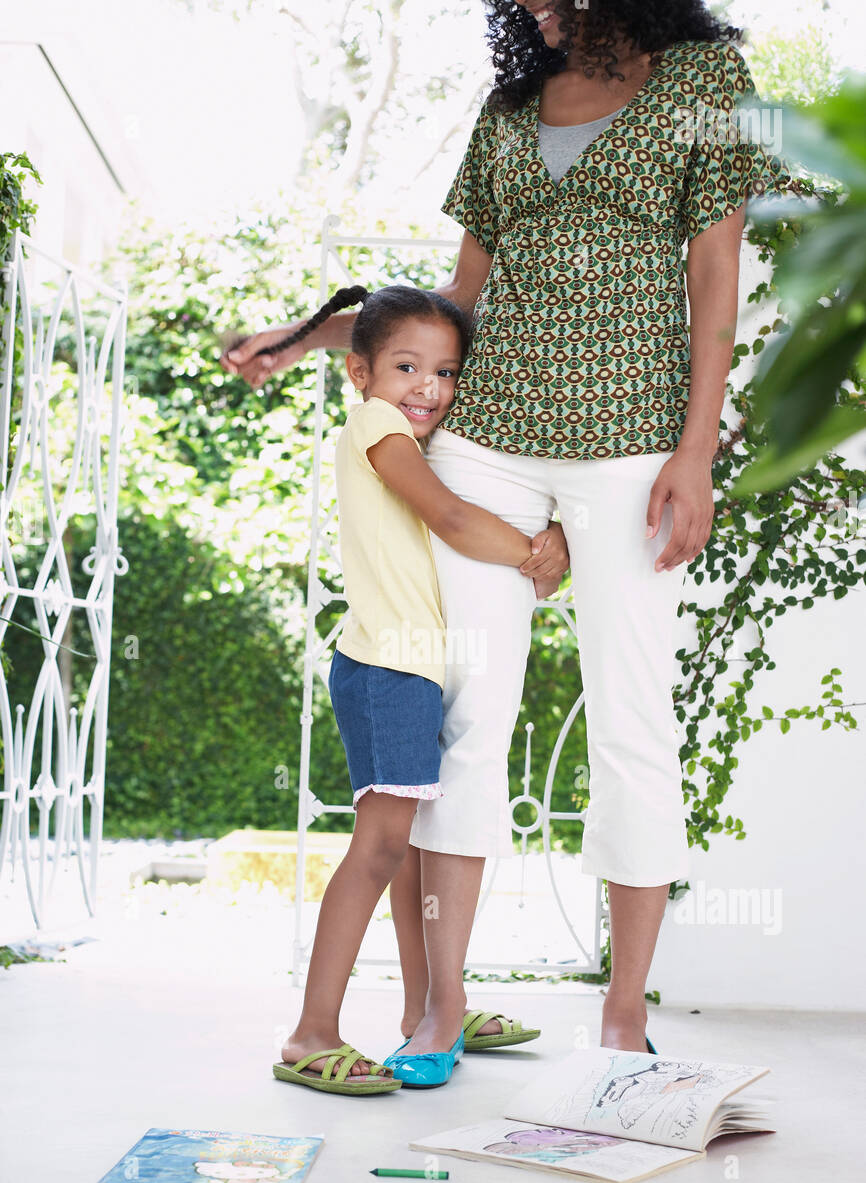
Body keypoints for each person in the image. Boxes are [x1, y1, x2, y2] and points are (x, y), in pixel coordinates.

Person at [222, 1, 789, 1061]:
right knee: (470, 723)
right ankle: (441, 1004)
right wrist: (309, 338)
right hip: (487, 442)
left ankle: (622, 1014)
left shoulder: (704, 82)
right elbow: (455, 304)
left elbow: (716, 271)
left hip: (632, 443)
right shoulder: (508, 108)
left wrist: (696, 447)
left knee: (631, 721)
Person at [267, 283, 568, 1092]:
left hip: (412, 668)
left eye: (446, 372)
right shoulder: (376, 425)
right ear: (359, 372)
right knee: (380, 848)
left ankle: (428, 1006)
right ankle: (310, 1034)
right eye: (407, 367)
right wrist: (539, 553)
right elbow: (450, 518)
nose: (429, 387)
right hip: (385, 669)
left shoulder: (405, 427)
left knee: (406, 851)